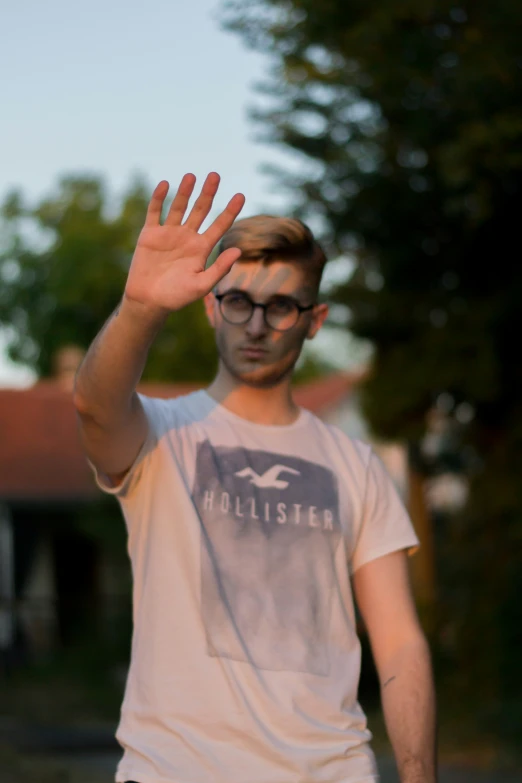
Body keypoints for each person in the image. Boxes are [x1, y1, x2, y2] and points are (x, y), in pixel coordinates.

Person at [74, 172, 437, 783]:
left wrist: (419, 775)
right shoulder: (160, 434)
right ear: (213, 306)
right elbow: (93, 406)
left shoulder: (357, 466)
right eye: (238, 301)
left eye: (281, 306)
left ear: (314, 319)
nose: (257, 325)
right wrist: (139, 310)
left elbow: (399, 641)